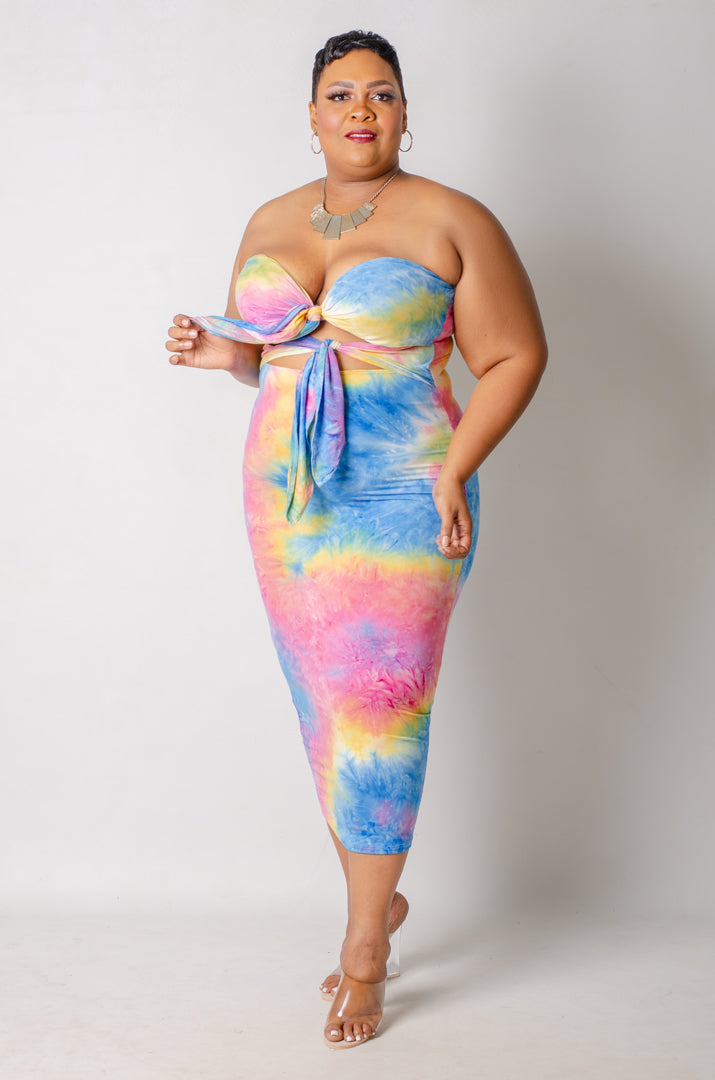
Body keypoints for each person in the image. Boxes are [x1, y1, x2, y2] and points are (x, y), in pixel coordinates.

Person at [165, 29, 547, 1049]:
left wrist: (456, 469)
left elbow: (514, 354)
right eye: (340, 95)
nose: (361, 110)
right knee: (325, 715)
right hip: (286, 496)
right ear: (312, 115)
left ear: (405, 112)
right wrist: (222, 354)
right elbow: (274, 357)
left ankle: (366, 945)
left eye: (381, 93)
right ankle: (381, 899)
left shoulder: (453, 218)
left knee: (381, 710)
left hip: (405, 492)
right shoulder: (269, 218)